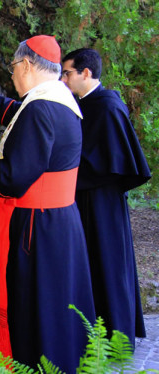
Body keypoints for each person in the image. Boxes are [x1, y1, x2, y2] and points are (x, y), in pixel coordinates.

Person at [0, 35, 96, 371]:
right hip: (58, 224)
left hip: (34, 233)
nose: (12, 74)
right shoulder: (58, 100)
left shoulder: (40, 108)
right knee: (55, 309)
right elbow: (13, 113)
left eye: (13, 66)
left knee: (31, 313)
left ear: (27, 64)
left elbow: (13, 179)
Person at [61, 48, 151, 347]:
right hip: (86, 199)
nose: (64, 79)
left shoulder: (108, 106)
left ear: (86, 73)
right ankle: (93, 335)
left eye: (68, 73)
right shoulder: (83, 104)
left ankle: (115, 338)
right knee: (90, 264)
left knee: (107, 264)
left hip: (103, 204)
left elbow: (114, 163)